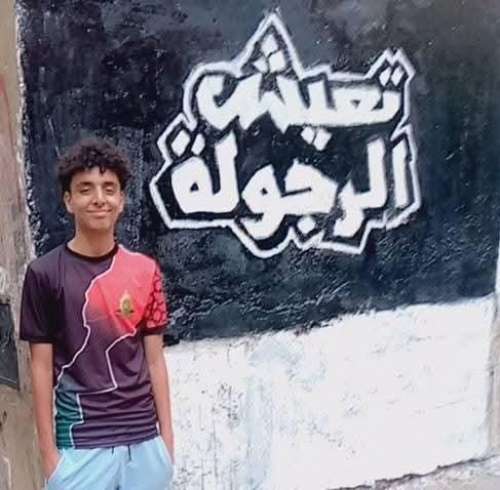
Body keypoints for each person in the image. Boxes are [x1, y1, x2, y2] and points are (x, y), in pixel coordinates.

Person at [20, 138, 175, 490]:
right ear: (68, 200)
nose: (99, 198)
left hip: (145, 444)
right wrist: (49, 457)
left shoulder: (145, 271)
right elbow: (40, 367)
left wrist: (166, 443)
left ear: (121, 200)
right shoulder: (44, 274)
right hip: (80, 446)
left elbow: (154, 361)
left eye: (109, 188)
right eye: (85, 189)